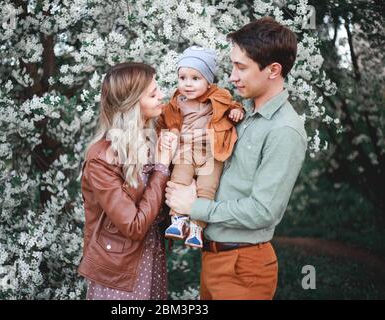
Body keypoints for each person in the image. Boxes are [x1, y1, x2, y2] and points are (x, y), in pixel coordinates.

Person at [165, 17, 308, 299]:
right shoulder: (239, 115)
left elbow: (263, 211)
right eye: (232, 66)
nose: (232, 76)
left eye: (241, 67)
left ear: (273, 70)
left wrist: (196, 206)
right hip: (213, 257)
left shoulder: (285, 130)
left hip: (244, 267)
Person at [77, 62, 178, 300]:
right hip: (119, 273)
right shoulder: (102, 157)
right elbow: (133, 226)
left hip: (151, 260)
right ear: (132, 104)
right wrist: (162, 167)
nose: (161, 95)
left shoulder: (152, 142)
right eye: (153, 94)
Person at [159, 46, 245, 248]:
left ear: (208, 81)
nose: (188, 84)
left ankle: (197, 228)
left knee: (207, 187)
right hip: (186, 150)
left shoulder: (218, 96)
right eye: (183, 78)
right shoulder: (175, 102)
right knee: (179, 179)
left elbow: (233, 105)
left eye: (195, 78)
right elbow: (161, 121)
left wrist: (236, 112)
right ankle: (178, 220)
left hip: (211, 153)